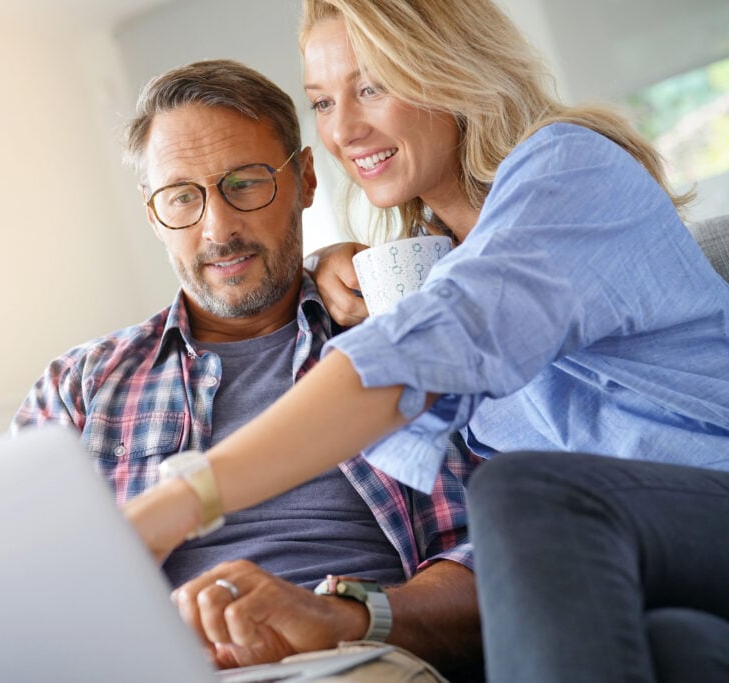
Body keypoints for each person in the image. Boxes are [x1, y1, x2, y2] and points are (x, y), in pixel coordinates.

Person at [0, 59, 485, 683]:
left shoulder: (391, 338)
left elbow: (489, 575)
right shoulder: (80, 386)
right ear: (152, 214)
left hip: (338, 663)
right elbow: (13, 589)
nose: (217, 229)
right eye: (181, 197)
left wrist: (339, 613)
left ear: (303, 180)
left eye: (244, 183)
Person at [122, 1, 729, 682]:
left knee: (523, 493)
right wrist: (325, 271)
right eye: (323, 101)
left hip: (708, 499)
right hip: (650, 570)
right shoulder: (419, 267)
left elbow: (436, 338)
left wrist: (180, 501)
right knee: (679, 649)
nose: (344, 129)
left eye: (371, 86)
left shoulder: (570, 169)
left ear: (451, 72)